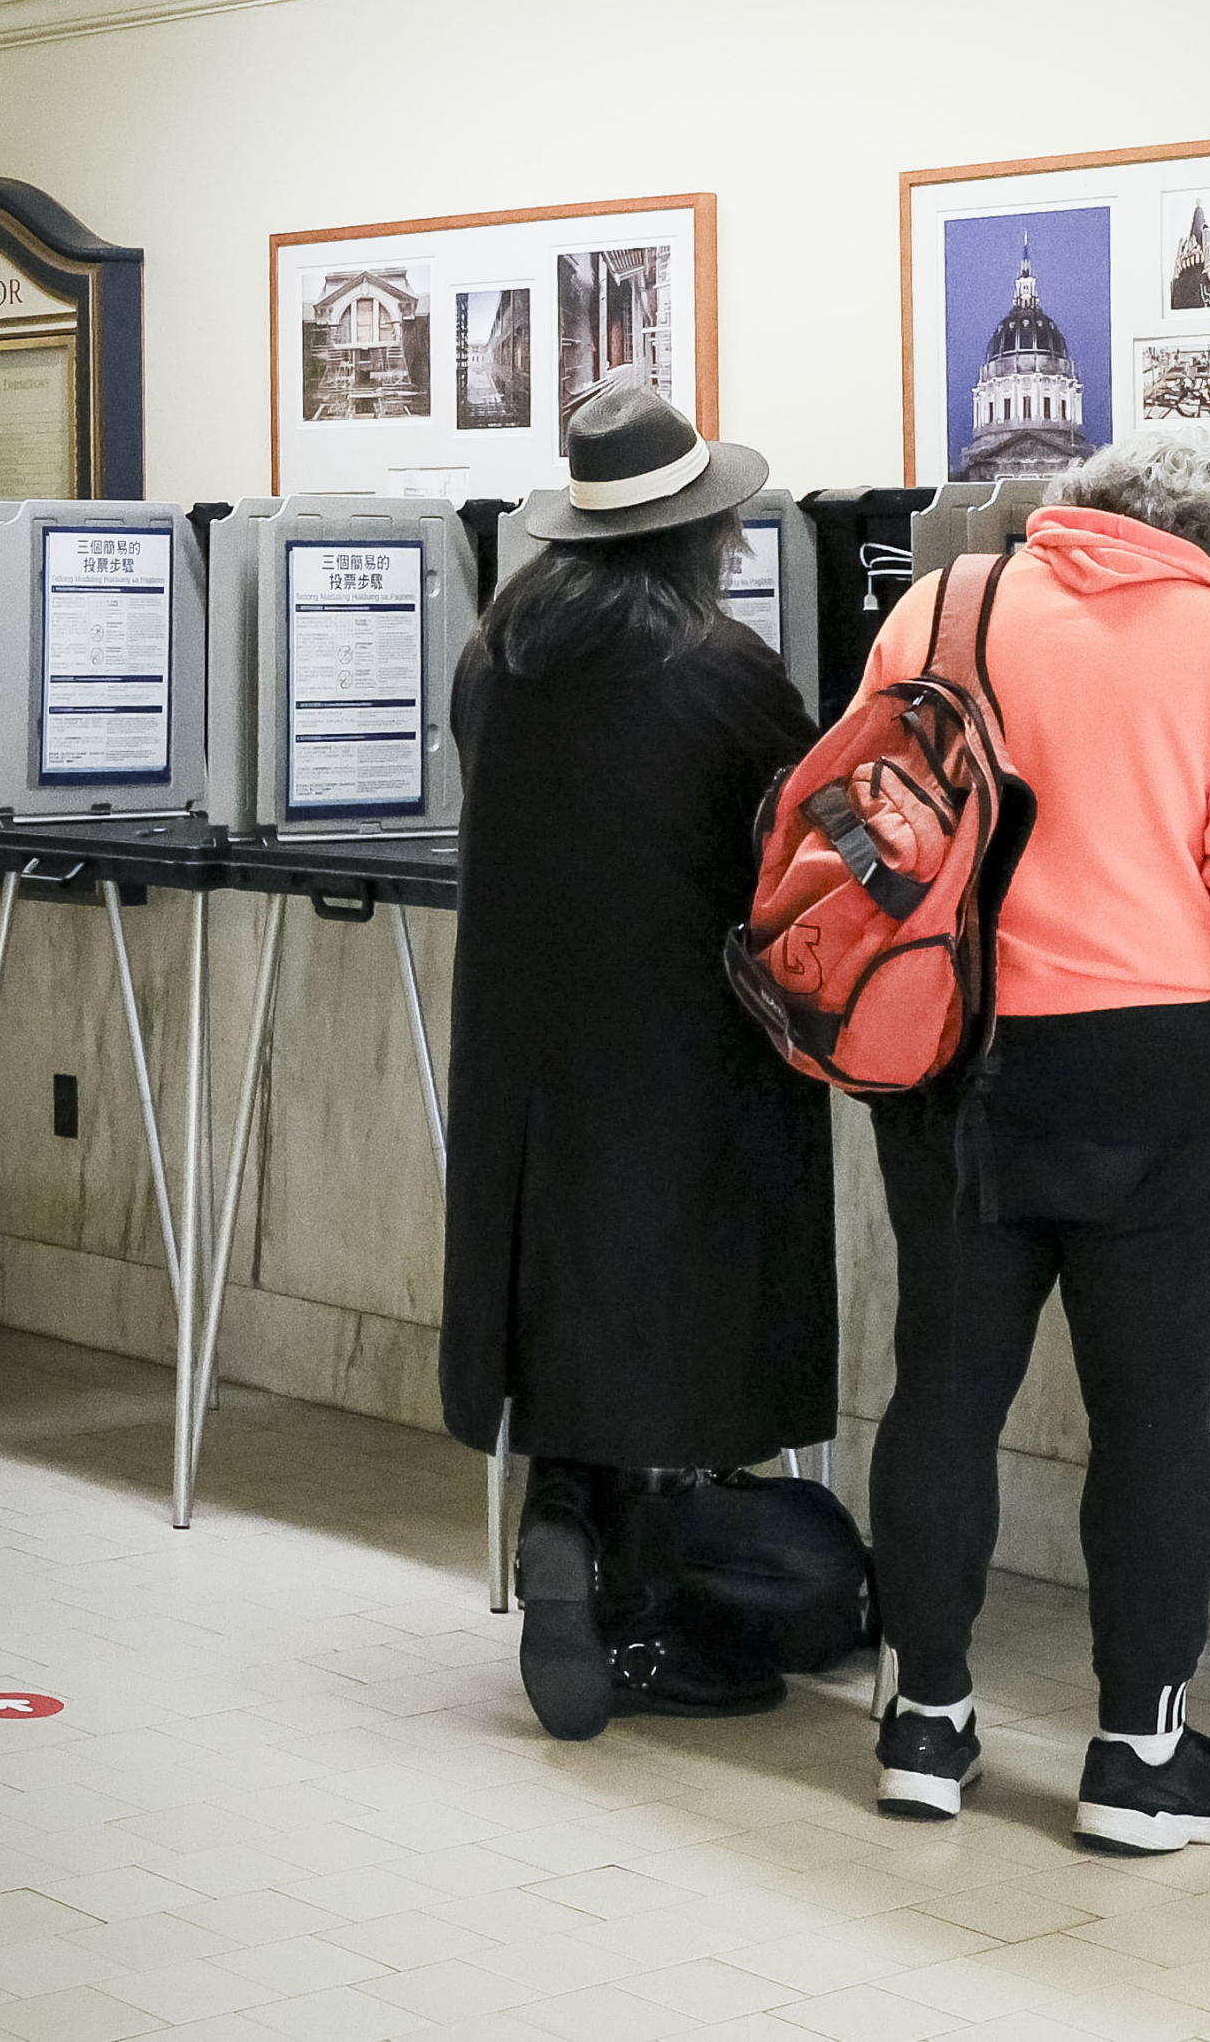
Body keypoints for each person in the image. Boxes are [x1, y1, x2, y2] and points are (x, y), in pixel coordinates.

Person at [857, 430, 1210, 1850]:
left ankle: (923, 1725)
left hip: (949, 1051)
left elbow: (874, 817)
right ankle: (1138, 1756)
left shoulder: (941, 604)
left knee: (942, 1389)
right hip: (1147, 1076)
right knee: (1151, 1417)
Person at [440, 379, 824, 1737]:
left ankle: (558, 1517)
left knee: (560, 1288)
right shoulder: (725, 670)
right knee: (683, 1308)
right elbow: (790, 850)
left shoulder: (492, 656)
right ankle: (656, 1608)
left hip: (526, 1051)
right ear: (697, 534)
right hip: (686, 1045)